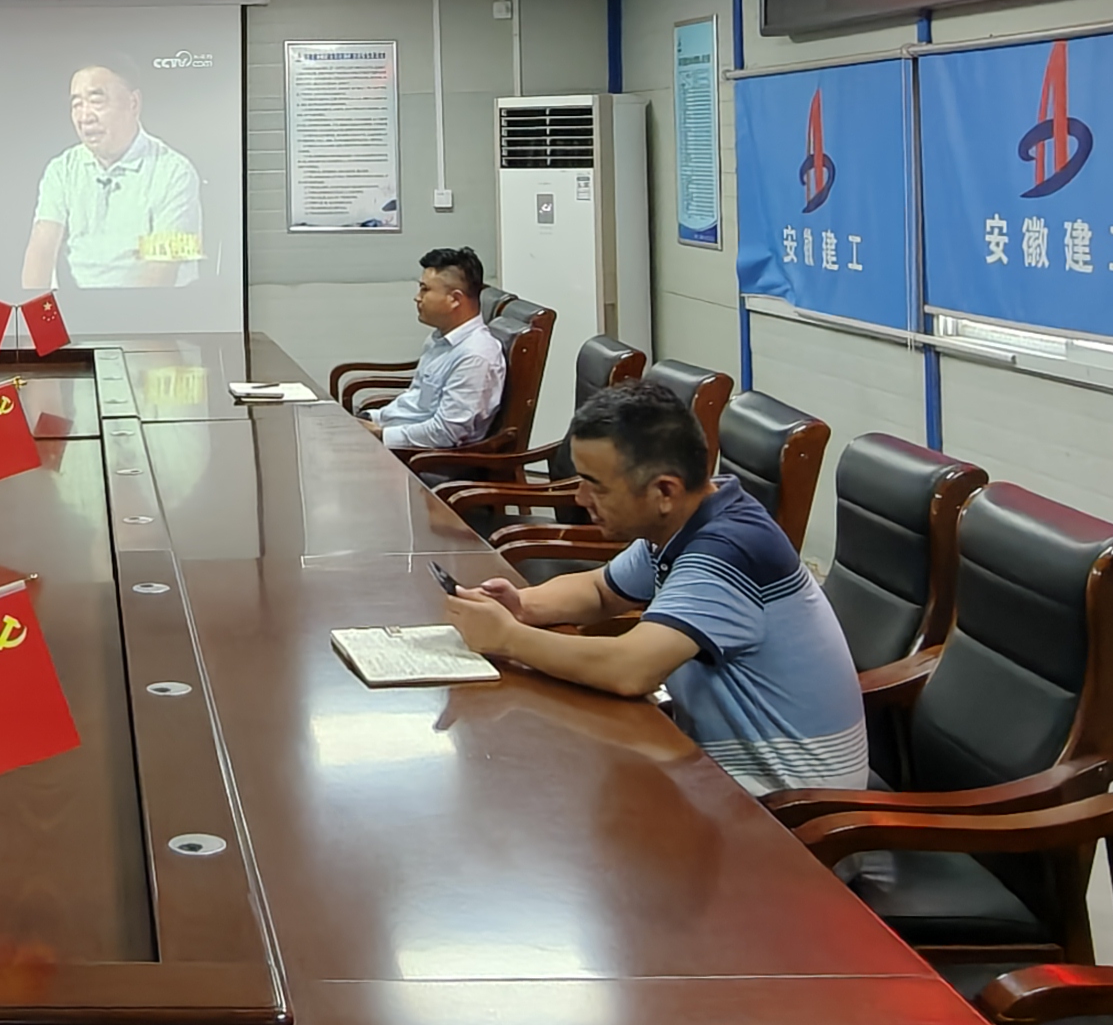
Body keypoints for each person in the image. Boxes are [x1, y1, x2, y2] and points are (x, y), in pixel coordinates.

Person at [436, 380, 868, 800]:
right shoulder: (686, 521)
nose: (581, 497)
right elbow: (601, 590)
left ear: (664, 491)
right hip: (717, 771)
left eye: (595, 485)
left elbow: (630, 669)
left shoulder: (727, 552)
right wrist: (521, 606)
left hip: (787, 805)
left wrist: (508, 638)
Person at [20, 62, 204, 294]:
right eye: (77, 104)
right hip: (78, 308)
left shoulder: (174, 172)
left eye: (96, 101)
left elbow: (162, 271)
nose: (85, 117)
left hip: (155, 307)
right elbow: (41, 249)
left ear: (133, 103)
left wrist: (119, 315)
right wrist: (35, 311)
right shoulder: (62, 169)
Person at [364, 248, 503, 452]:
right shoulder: (440, 338)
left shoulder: (475, 356)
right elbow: (417, 401)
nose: (417, 298)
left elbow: (445, 433)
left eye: (425, 289)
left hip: (421, 456)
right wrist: (371, 418)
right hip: (397, 436)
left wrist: (379, 434)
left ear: (455, 299)